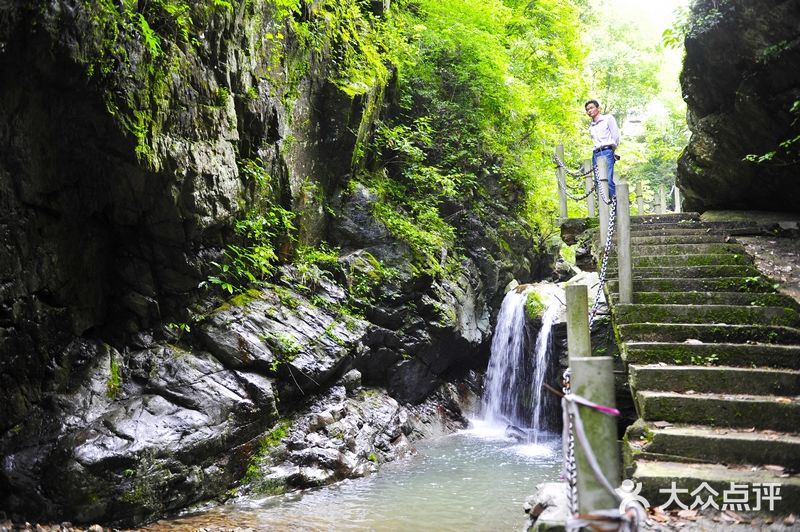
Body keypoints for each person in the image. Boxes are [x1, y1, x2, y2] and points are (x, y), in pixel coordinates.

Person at [585, 99, 620, 197]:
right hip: (596, 154)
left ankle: (615, 206)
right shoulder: (591, 127)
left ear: (598, 108)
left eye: (591, 108)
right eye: (587, 109)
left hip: (607, 151)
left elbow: (615, 136)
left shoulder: (608, 119)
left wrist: (611, 151)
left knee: (607, 181)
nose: (589, 111)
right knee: (598, 183)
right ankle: (604, 209)